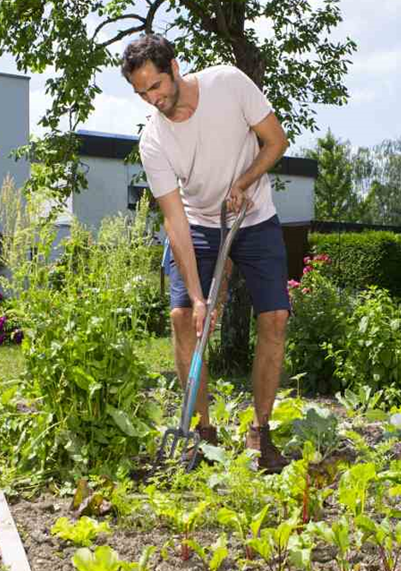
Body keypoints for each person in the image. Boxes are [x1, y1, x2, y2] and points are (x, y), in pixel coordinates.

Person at [121, 34, 291, 471]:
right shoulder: (154, 141)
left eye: (155, 86)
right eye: (142, 93)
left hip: (253, 217)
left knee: (274, 318)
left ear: (174, 68)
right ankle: (202, 432)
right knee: (183, 318)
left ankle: (261, 431)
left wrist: (243, 182)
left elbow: (276, 141)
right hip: (197, 223)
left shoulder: (228, 84)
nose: (152, 99)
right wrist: (198, 299)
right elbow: (175, 223)